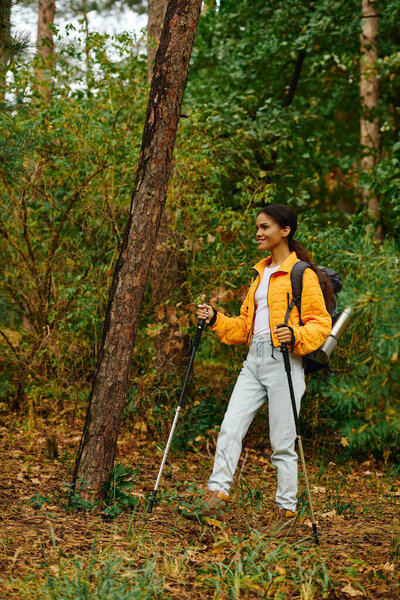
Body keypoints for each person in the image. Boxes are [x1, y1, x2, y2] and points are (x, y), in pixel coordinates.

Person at [192, 204, 333, 535]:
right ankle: (215, 497)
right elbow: (243, 326)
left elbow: (320, 324)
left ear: (284, 231)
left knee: (282, 443)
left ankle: (286, 513)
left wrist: (295, 334)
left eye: (265, 227)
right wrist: (215, 319)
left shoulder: (303, 273)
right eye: (257, 226)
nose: (258, 232)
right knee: (230, 429)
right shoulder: (260, 273)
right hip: (253, 362)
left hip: (285, 363)